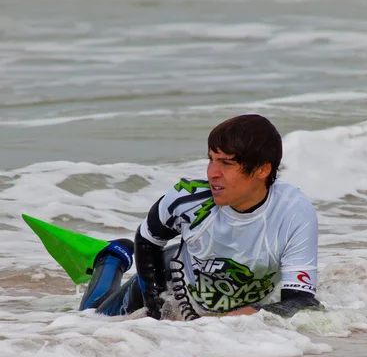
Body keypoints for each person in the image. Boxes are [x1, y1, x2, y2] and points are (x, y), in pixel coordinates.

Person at [80, 114, 321, 319]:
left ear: (262, 170)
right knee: (91, 318)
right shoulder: (188, 200)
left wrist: (254, 313)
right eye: (211, 159)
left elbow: (302, 302)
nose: (212, 173)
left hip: (217, 294)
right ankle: (113, 258)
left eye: (226, 163)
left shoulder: (293, 213)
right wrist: (156, 308)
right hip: (168, 276)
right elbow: (147, 239)